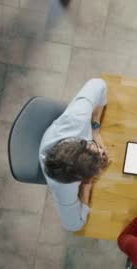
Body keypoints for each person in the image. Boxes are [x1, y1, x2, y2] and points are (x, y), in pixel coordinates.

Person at [39, 78, 110, 231]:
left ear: (81, 141)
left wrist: (95, 130)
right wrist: (87, 186)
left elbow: (99, 84)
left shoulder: (77, 118)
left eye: (94, 147)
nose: (101, 150)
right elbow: (73, 225)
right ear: (78, 180)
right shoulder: (62, 187)